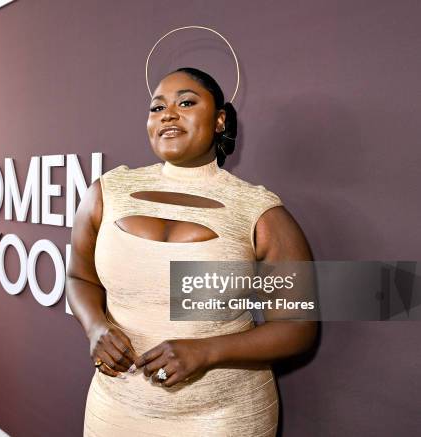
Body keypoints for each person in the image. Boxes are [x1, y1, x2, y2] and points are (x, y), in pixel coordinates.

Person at [66, 67, 317, 436]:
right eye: (157, 107)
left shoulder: (259, 211)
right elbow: (78, 277)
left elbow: (298, 328)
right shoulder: (107, 191)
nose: (168, 114)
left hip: (224, 416)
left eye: (186, 102)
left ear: (219, 120)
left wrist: (205, 352)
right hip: (116, 408)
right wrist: (95, 328)